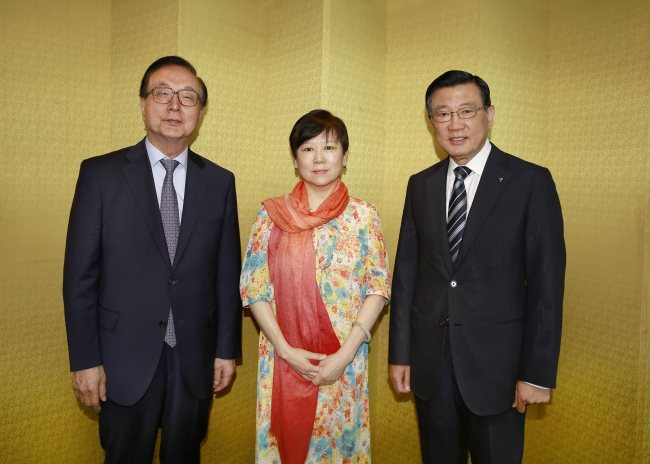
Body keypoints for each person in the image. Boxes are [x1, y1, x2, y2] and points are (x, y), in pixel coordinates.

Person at [63, 56, 242, 463]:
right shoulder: (100, 175)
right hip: (122, 358)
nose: (175, 106)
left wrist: (225, 349)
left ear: (201, 111)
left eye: (188, 97)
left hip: (194, 356)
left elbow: (226, 273)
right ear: (143, 103)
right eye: (162, 94)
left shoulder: (220, 181)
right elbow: (79, 279)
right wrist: (86, 360)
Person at [388, 70, 565, 463]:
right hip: (431, 367)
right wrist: (401, 354)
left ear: (489, 113)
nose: (455, 123)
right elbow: (407, 276)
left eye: (467, 111)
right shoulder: (421, 184)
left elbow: (546, 285)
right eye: (443, 113)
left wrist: (536, 373)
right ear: (430, 120)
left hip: (499, 370)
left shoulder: (530, 181)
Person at [240, 109, 390, 464]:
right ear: (295, 159)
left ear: (345, 155)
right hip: (283, 359)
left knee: (338, 448)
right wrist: (286, 351)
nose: (319, 158)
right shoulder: (271, 214)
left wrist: (344, 355)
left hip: (343, 361)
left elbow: (378, 288)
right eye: (307, 149)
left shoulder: (363, 216)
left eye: (329, 147)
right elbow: (253, 288)